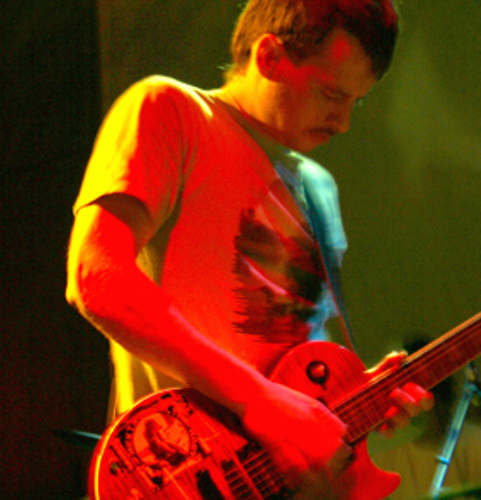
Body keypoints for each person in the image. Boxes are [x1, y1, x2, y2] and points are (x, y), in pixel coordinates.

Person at [66, 0, 433, 496]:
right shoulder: (172, 109)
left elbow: (292, 363)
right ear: (269, 57)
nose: (344, 121)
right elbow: (95, 276)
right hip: (188, 477)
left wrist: (354, 399)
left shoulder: (317, 186)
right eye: (331, 93)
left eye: (356, 102)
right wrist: (258, 401)